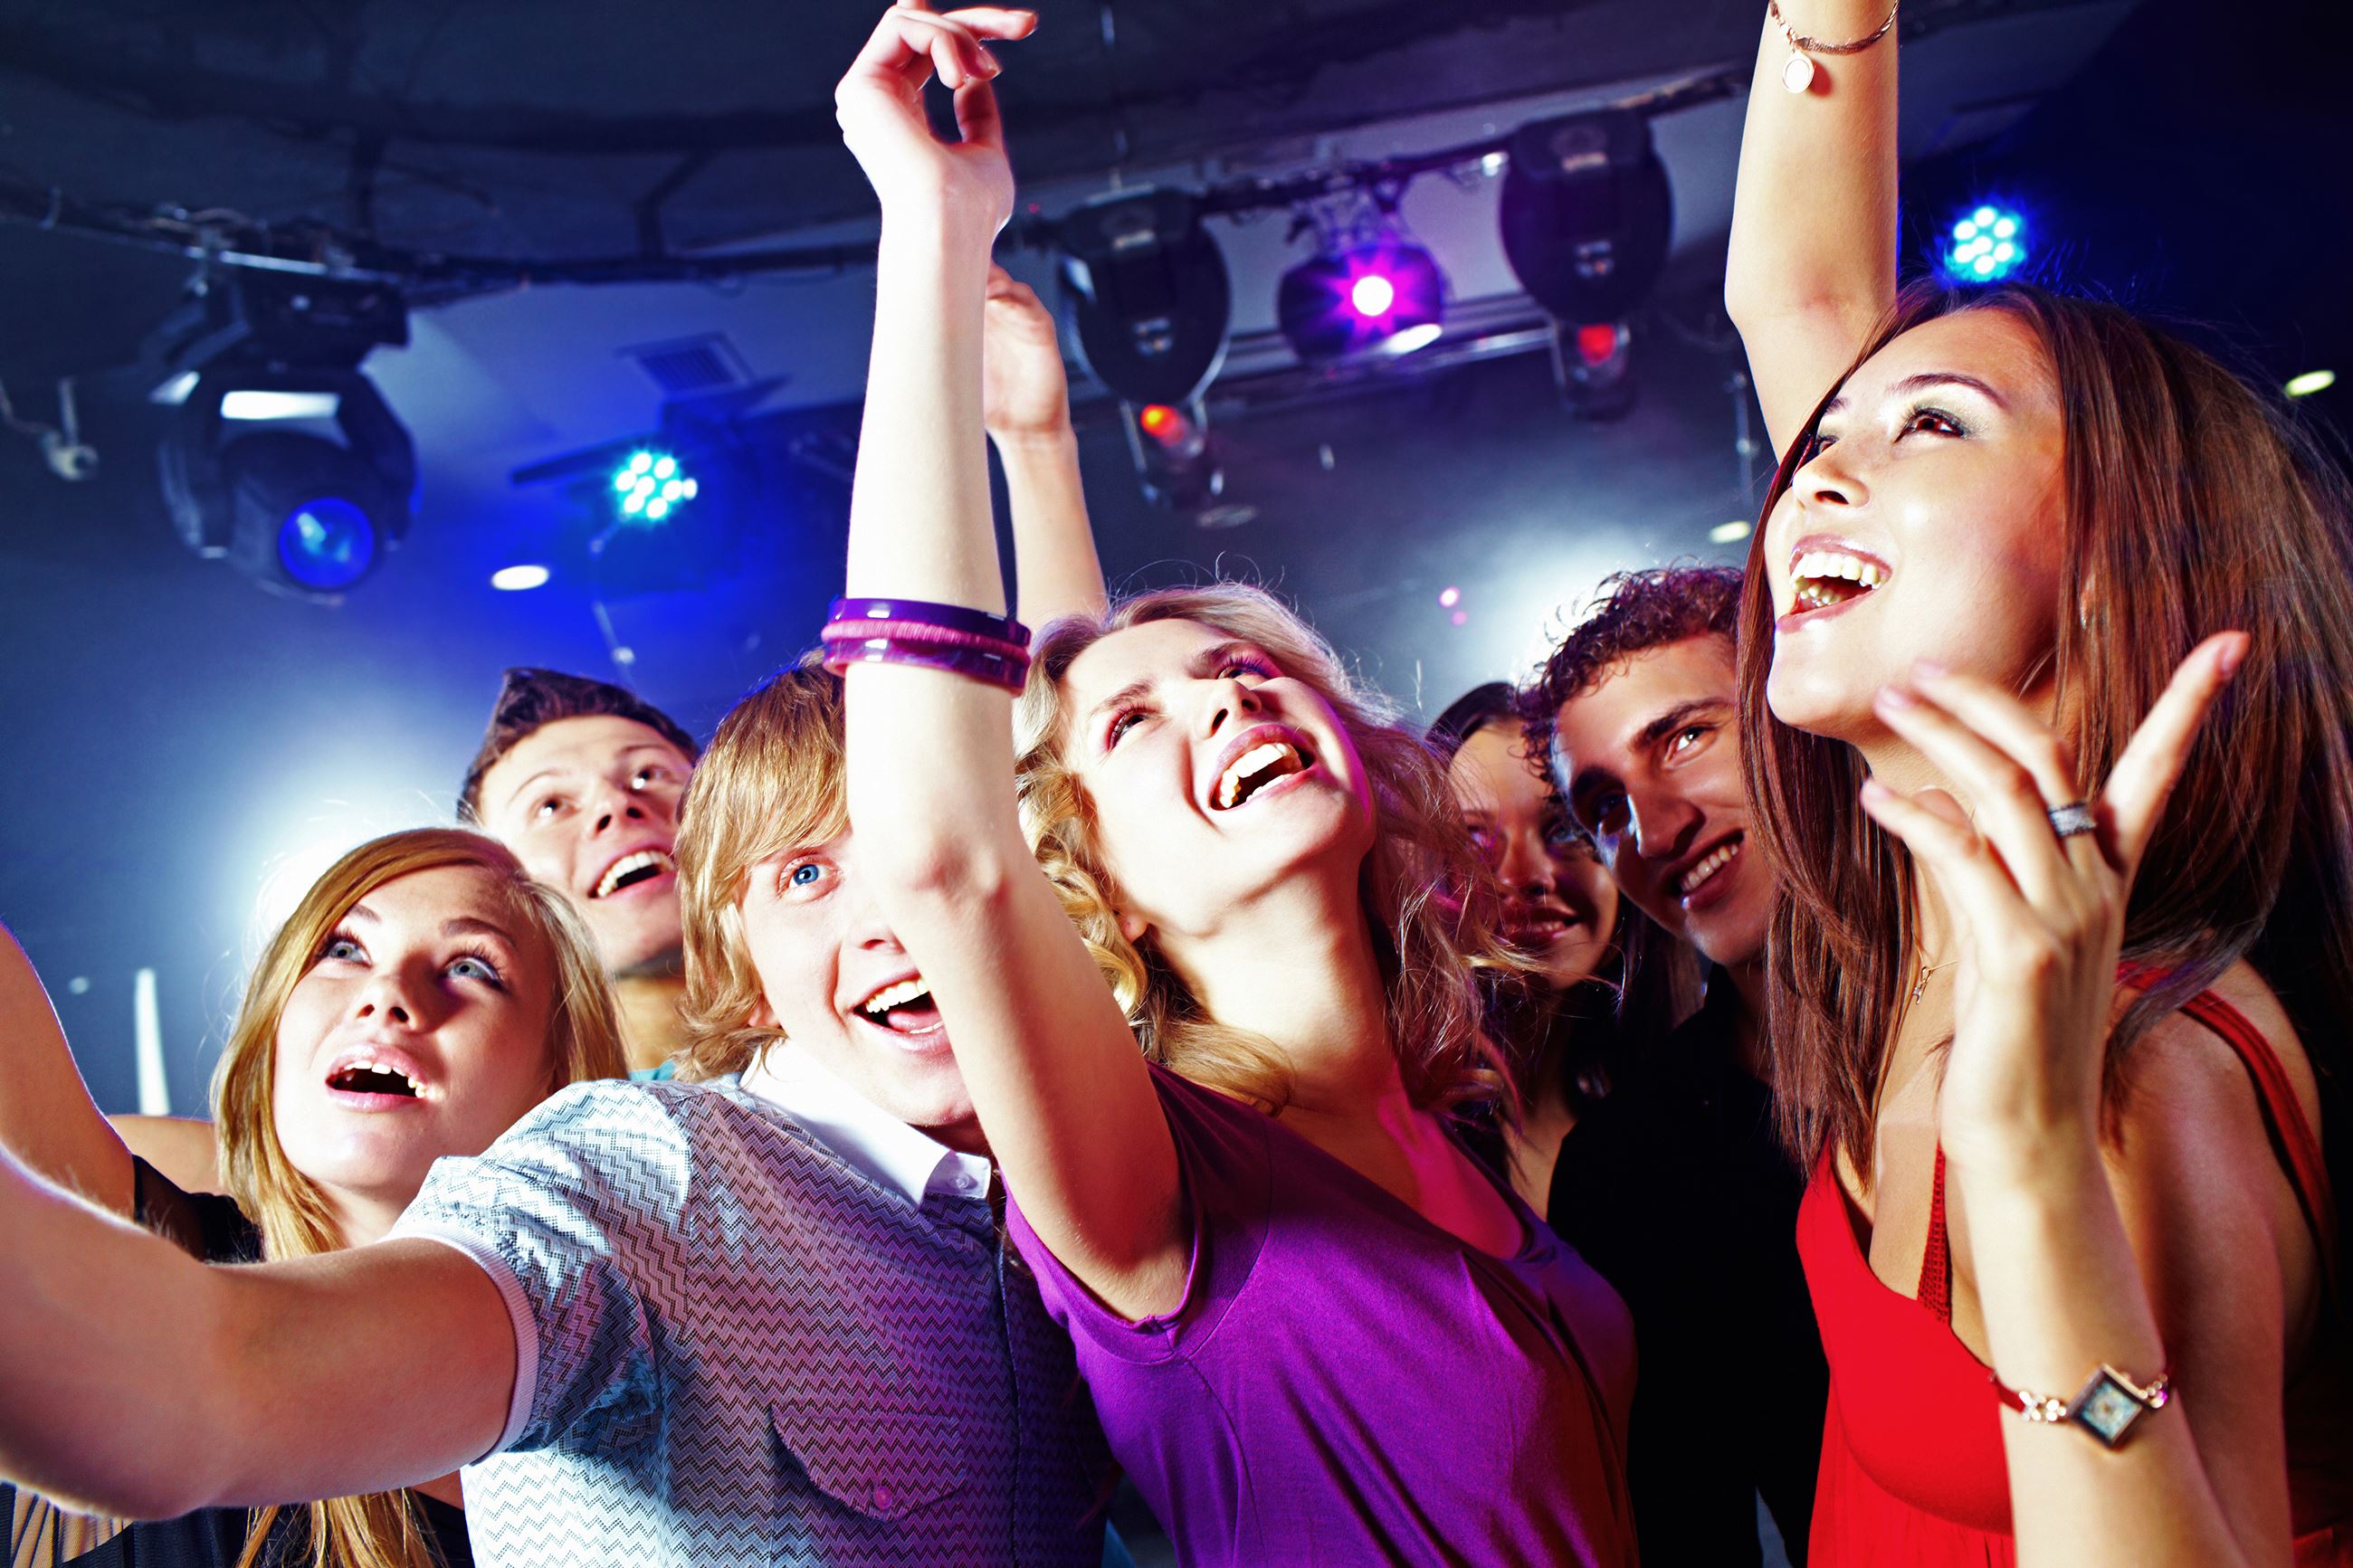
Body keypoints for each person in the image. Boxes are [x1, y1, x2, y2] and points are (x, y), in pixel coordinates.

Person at [828, 6, 1634, 1563]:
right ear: (1094, 883)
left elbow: (1092, 708)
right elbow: (953, 844)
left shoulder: (1449, 1118)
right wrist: (928, 233)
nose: (1231, 692)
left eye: (1251, 669)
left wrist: (1043, 446)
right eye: (1147, 723)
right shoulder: (1157, 1184)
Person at [0, 653, 1116, 1567]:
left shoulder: (1050, 1184)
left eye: (473, 965)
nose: (391, 992)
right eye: (805, 872)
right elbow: (185, 1376)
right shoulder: (634, 1172)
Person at [1726, 5, 2353, 1563]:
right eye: (1819, 444)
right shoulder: (1915, 899)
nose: (1810, 472)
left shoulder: (2150, 1077)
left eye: (1931, 423)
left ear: (2104, 569)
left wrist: (2028, 1163)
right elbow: (1797, 296)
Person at [0, 828, 628, 1568]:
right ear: (276, 1027)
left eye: (470, 967)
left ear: (555, 1082)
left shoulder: (618, 1423)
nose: (387, 995)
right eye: (345, 950)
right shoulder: (149, 1242)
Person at [1518, 565, 1824, 1565]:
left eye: (1685, 737)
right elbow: (1686, 1525)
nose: (1651, 832)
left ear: (1796, 710)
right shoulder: (1632, 1167)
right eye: (1603, 808)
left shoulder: (2034, 999)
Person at [1425, 682, 1636, 1214]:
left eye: (1564, 828)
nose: (1525, 877)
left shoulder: (1705, 1101)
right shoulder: (1396, 1129)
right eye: (1472, 840)